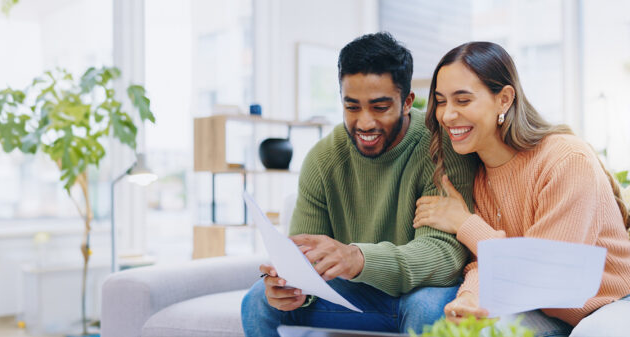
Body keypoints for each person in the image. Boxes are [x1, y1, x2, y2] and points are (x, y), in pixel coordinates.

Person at [240, 32, 479, 336]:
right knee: (257, 301)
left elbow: (443, 257)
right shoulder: (323, 159)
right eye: (352, 107)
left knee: (426, 308)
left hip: (420, 293)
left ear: (406, 102)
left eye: (380, 107)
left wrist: (359, 258)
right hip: (356, 296)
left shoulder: (439, 147)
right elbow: (304, 256)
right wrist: (293, 287)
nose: (365, 123)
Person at [413, 41, 630, 337]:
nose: (447, 115)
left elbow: (545, 272)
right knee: (468, 331)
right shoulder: (477, 174)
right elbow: (484, 263)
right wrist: (469, 299)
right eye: (440, 101)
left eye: (462, 101)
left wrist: (465, 223)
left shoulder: (566, 160)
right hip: (542, 308)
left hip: (612, 303)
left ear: (504, 99)